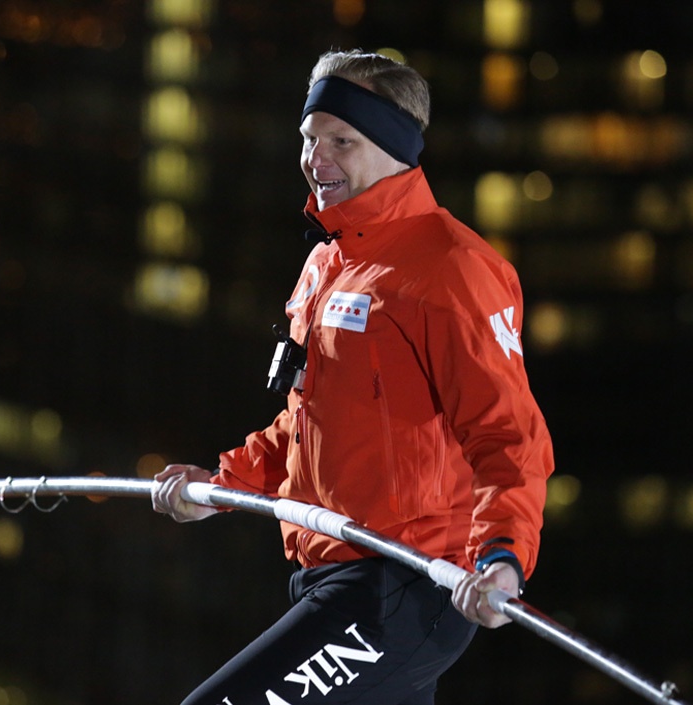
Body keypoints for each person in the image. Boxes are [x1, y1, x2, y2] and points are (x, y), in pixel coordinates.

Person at [152, 49, 555, 705]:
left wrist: (501, 558)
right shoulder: (326, 263)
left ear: (396, 147)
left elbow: (508, 436)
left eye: (343, 140)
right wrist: (219, 486)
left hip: (406, 587)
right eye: (311, 139)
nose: (318, 159)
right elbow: (308, 424)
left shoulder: (450, 268)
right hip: (333, 571)